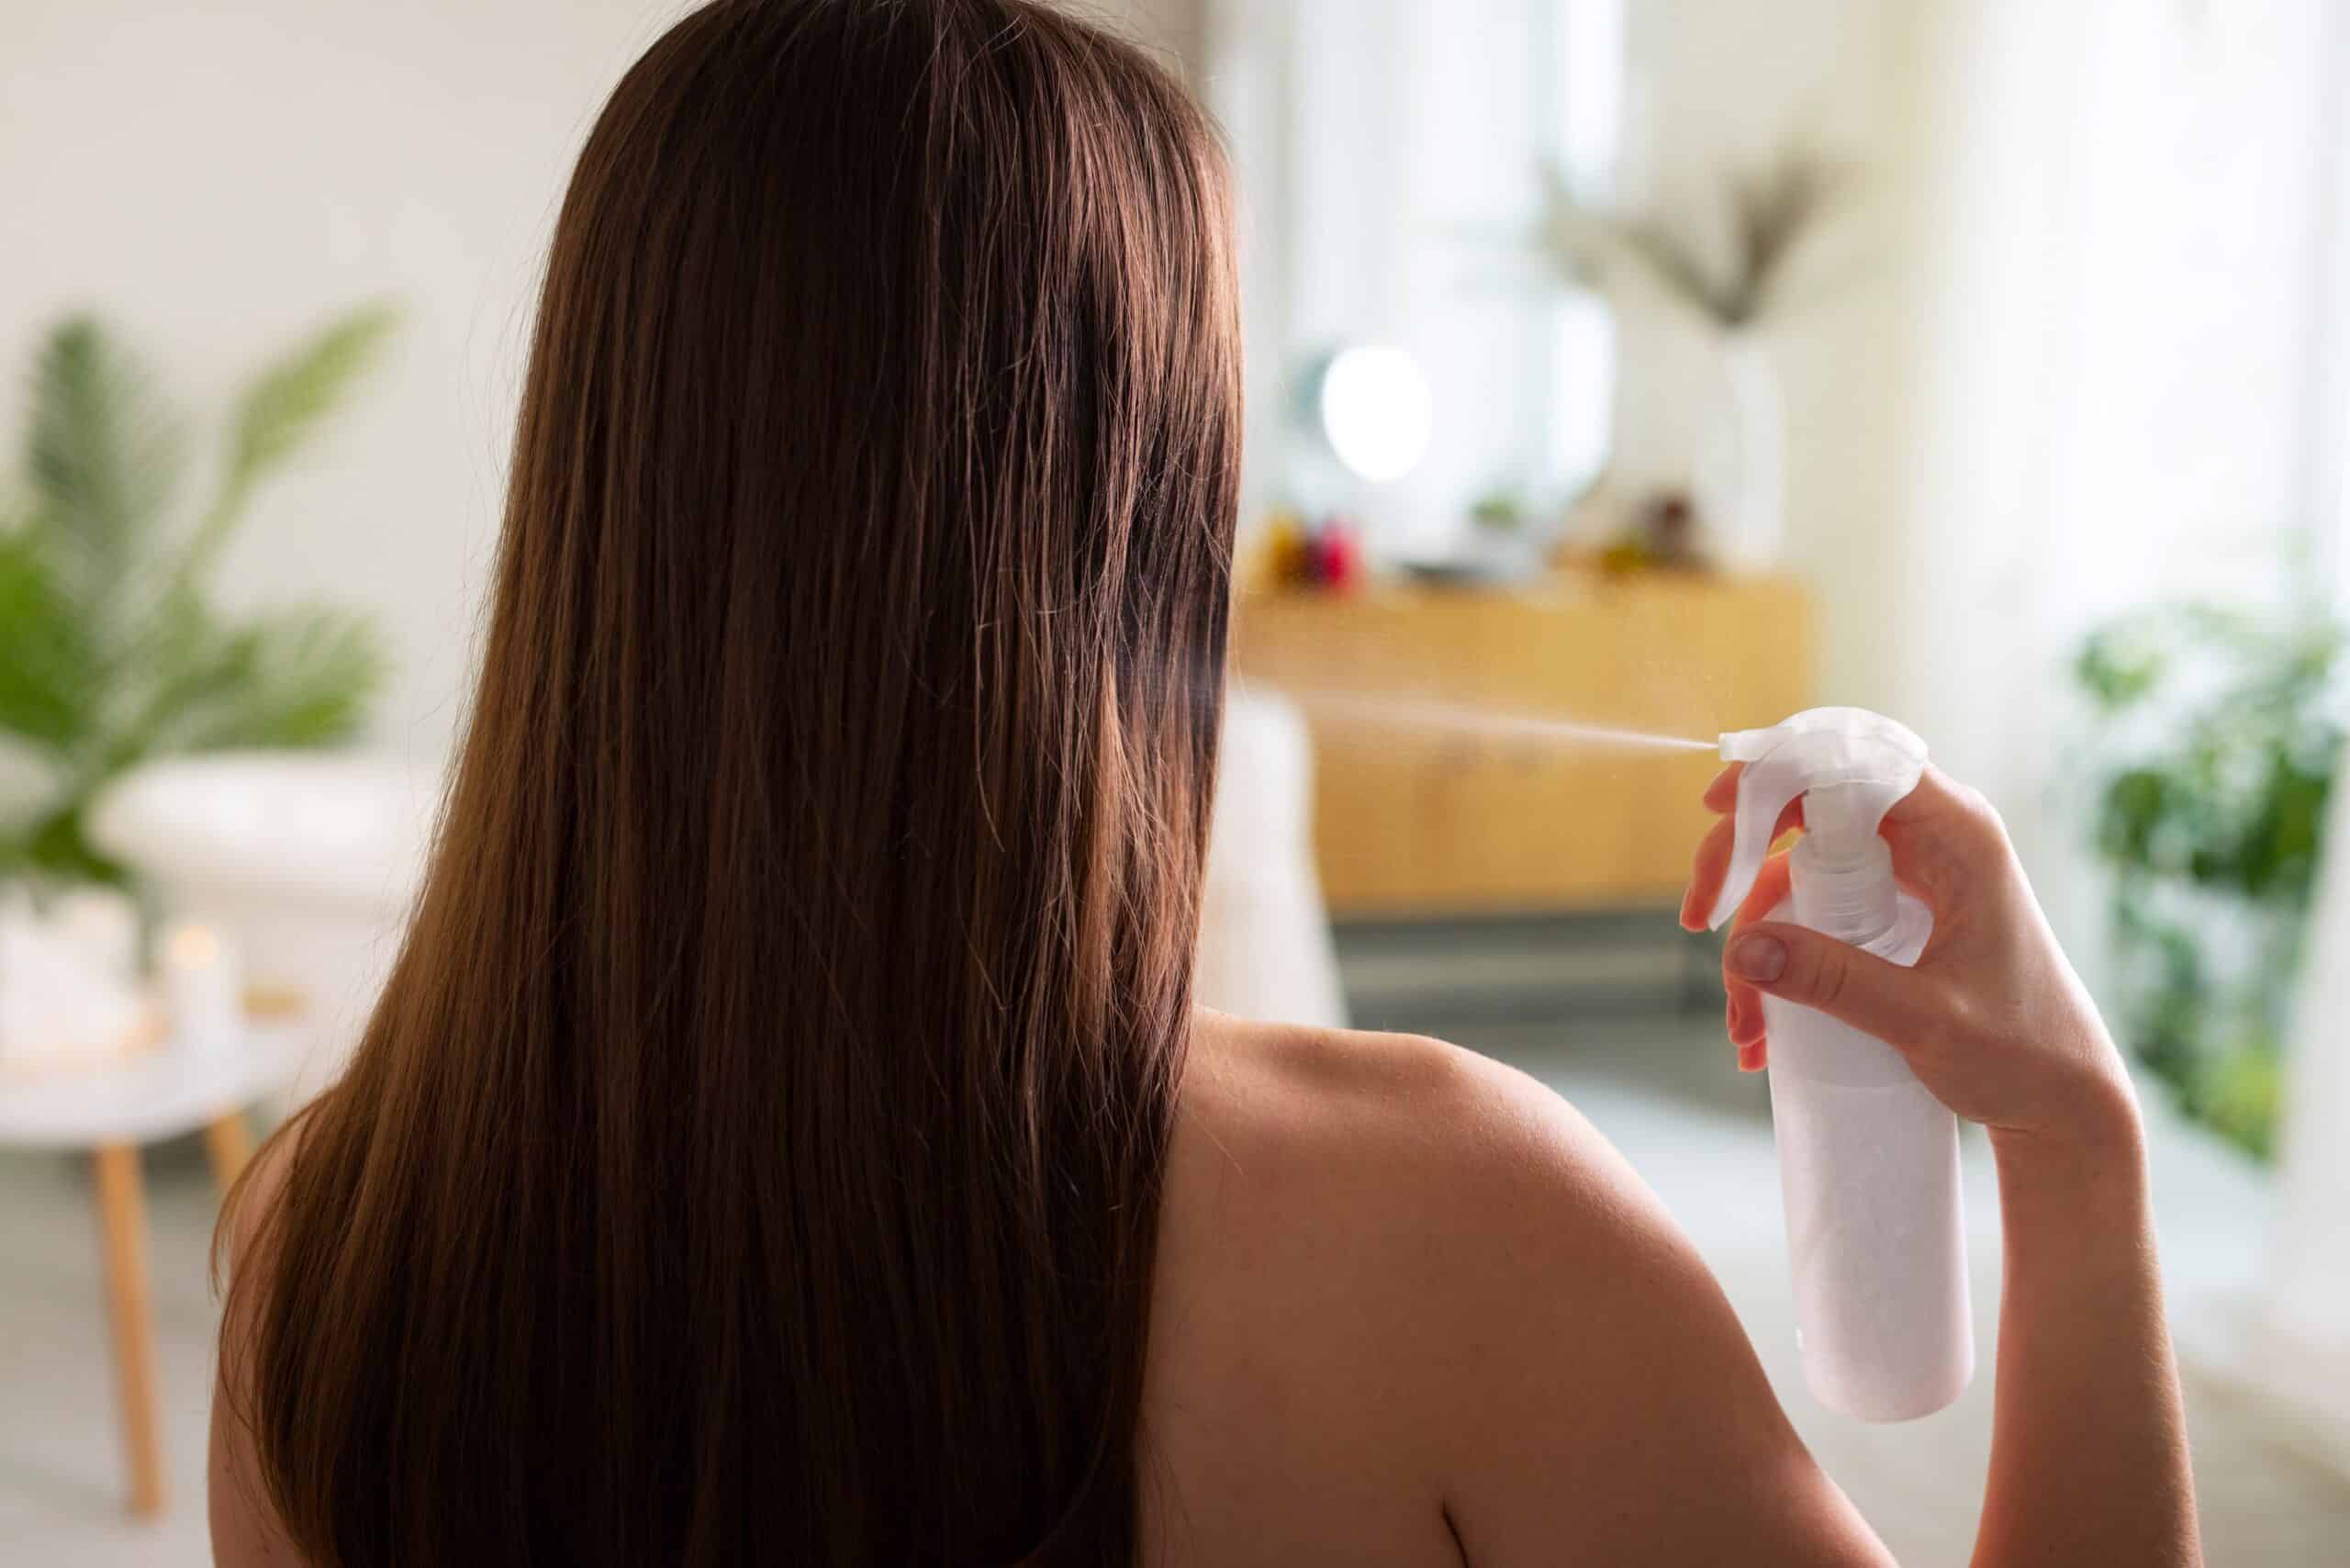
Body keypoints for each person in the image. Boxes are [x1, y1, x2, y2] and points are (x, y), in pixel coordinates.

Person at [209, 1, 2202, 1563]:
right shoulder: (1455, 1218)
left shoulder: (326, 1253)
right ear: (1140, 516)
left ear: (600, 490)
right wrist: (2074, 1140)